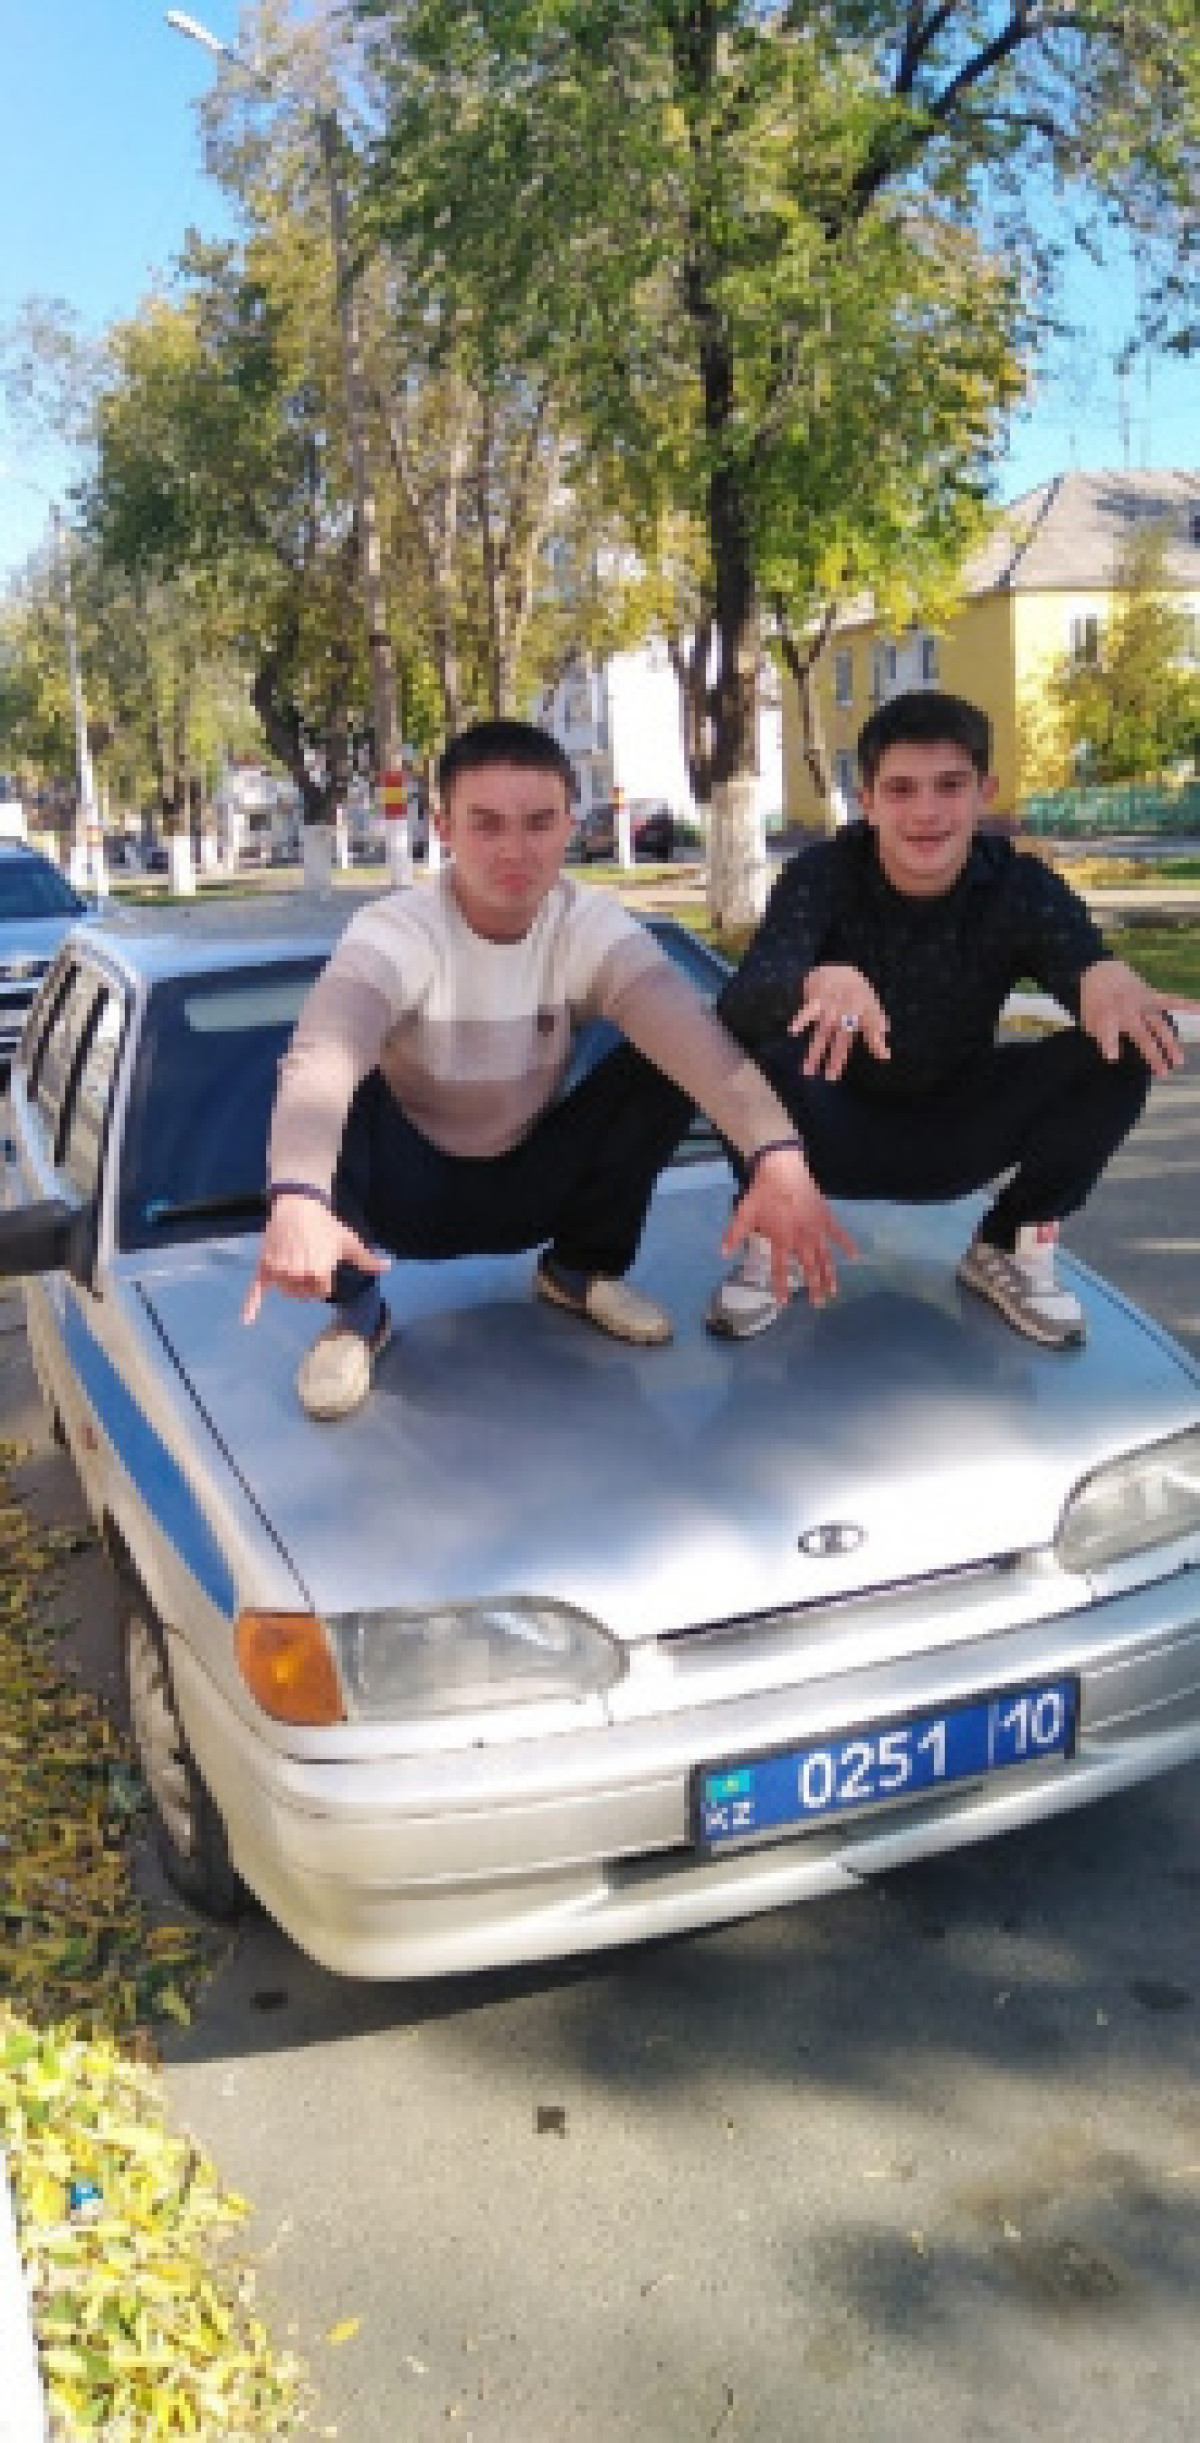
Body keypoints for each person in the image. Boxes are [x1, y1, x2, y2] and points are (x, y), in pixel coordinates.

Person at [243, 717, 846, 1419]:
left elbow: (696, 1040)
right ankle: (355, 1314)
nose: (514, 850)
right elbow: (323, 1053)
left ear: (569, 825)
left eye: (537, 823)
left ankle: (577, 1270)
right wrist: (297, 1198)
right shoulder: (397, 929)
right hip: (406, 1194)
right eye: (486, 824)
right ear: (444, 828)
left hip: (530, 1182)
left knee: (662, 1061)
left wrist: (779, 1155)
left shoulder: (589, 925)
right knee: (335, 1081)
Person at [707, 688, 1183, 1345]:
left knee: (1126, 1042)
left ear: (984, 792)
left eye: (950, 786)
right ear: (868, 800)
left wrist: (1100, 975)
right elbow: (743, 998)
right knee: (740, 1043)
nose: (926, 812)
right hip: (825, 1134)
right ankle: (769, 1237)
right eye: (901, 789)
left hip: (960, 1130)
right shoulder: (822, 874)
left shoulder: (1018, 885)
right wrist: (814, 981)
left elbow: (1078, 963)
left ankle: (1010, 1243)